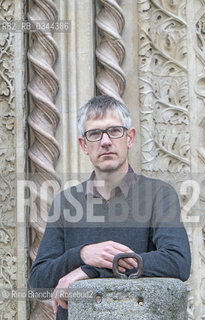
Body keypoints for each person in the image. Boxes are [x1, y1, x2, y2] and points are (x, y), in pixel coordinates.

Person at [30, 95, 191, 320]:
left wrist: (92, 270)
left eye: (114, 130)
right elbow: (39, 281)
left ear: (130, 138)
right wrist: (83, 254)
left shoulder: (158, 194)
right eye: (94, 134)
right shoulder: (66, 202)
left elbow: (177, 262)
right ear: (83, 145)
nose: (105, 141)